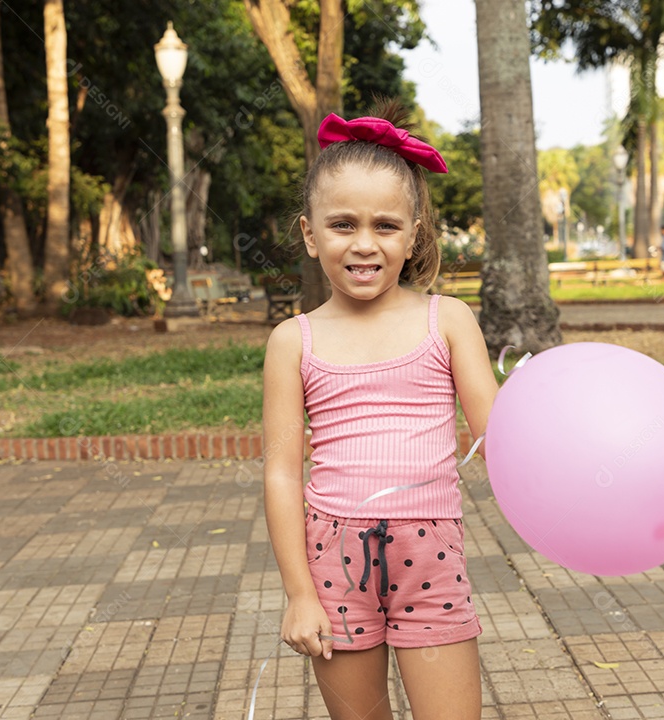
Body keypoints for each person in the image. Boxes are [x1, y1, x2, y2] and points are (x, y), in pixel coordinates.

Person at [262, 101, 498, 720]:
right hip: (331, 567)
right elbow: (283, 474)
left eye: (387, 226)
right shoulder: (294, 341)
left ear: (414, 234)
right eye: (342, 224)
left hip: (432, 558)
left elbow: (501, 436)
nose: (364, 244)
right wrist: (297, 595)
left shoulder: (447, 321)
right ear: (310, 234)